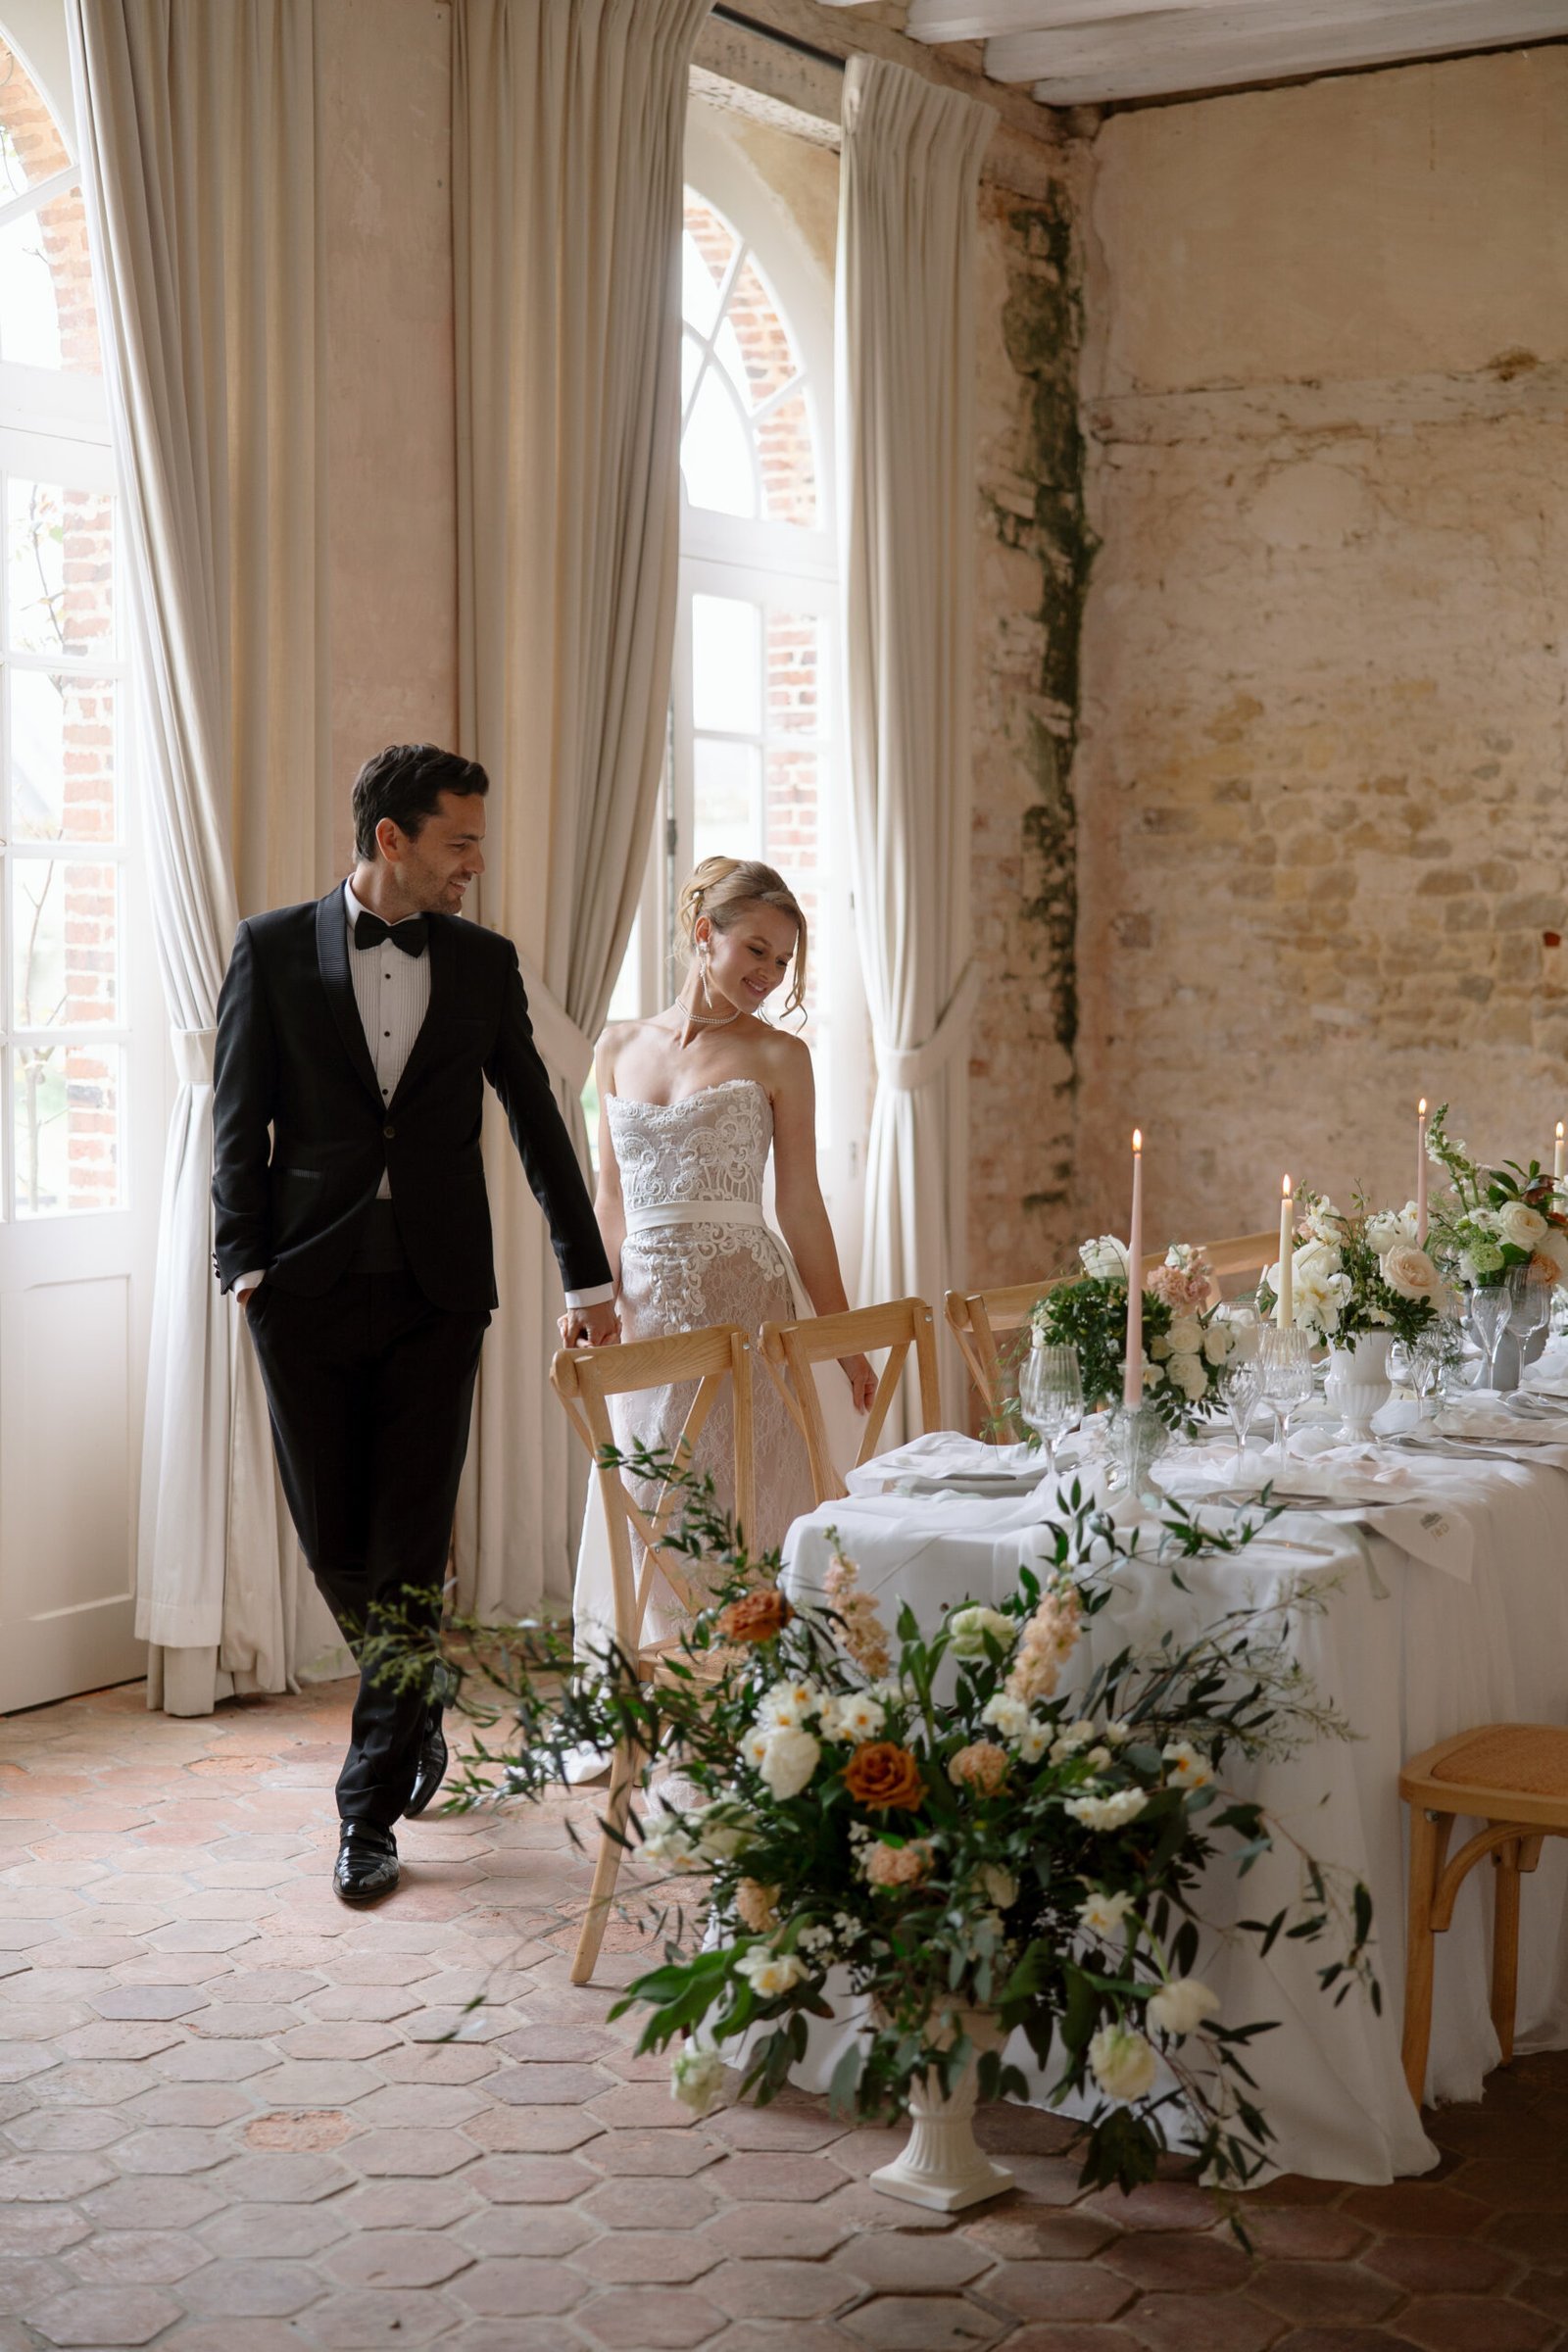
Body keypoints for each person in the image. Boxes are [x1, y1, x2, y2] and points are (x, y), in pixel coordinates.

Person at [213, 743, 616, 1904]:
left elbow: (539, 1123)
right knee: (335, 1534)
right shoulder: (274, 948)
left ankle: (366, 1813)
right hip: (301, 1286)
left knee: (406, 1544)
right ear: (391, 839)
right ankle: (418, 1690)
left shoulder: (486, 965)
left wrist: (584, 1280)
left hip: (443, 1291)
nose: (476, 866)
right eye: (461, 842)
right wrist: (241, 1263)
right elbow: (239, 1118)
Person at [569, 856, 873, 1659]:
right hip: (644, 1309)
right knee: (647, 1497)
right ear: (706, 935)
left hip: (746, 1307)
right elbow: (609, 1200)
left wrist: (840, 1342)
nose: (771, 975)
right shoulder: (617, 1045)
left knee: (749, 1495)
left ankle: (760, 1684)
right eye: (758, 952)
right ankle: (657, 1685)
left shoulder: (780, 1057)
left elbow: (801, 1205)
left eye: (783, 962)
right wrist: (586, 1300)